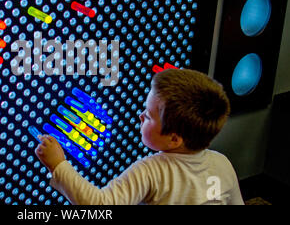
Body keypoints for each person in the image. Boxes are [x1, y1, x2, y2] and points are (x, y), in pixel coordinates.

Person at [35, 69, 244, 205]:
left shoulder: (152, 171)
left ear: (174, 139)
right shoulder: (222, 164)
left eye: (149, 115)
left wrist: (59, 165)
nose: (141, 115)